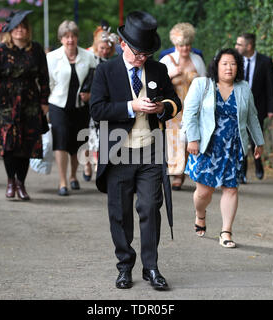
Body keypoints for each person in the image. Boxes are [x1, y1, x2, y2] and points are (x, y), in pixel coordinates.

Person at [90, 11, 182, 290]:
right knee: (119, 213)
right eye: (138, 53)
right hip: (118, 153)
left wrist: (162, 107)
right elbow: (97, 109)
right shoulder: (105, 71)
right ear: (122, 45)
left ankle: (151, 268)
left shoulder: (158, 70)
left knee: (150, 207)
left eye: (147, 53)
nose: (143, 58)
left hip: (150, 151)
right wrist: (132, 106)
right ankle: (124, 266)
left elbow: (174, 102)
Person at [183, 48, 265, 247]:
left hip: (233, 147)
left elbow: (252, 116)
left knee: (231, 190)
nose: (229, 68)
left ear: (239, 67)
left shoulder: (244, 88)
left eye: (234, 64)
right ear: (216, 65)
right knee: (204, 192)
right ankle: (200, 214)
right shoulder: (202, 84)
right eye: (225, 63)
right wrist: (192, 139)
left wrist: (259, 142)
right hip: (206, 146)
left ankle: (226, 232)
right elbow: (190, 113)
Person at [0, 10, 50, 200]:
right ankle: (10, 181)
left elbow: (44, 78)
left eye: (23, 27)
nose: (20, 31)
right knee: (9, 144)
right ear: (11, 30)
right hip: (6, 101)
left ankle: (21, 183)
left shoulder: (36, 49)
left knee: (27, 144)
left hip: (30, 102)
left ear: (27, 30)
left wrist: (45, 101)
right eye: (16, 27)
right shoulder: (1, 50)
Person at [46, 20, 97, 196]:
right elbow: (48, 83)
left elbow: (96, 81)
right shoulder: (52, 58)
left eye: (73, 36)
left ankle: (74, 176)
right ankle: (62, 181)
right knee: (60, 142)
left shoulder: (89, 57)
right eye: (66, 36)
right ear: (61, 39)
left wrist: (90, 95)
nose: (70, 40)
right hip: (58, 105)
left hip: (81, 106)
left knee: (78, 144)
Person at [160, 22, 206, 190]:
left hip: (193, 107)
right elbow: (156, 85)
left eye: (187, 45)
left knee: (188, 138)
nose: (185, 48)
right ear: (175, 45)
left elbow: (205, 83)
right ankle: (176, 173)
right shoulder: (166, 60)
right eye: (181, 45)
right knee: (175, 139)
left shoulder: (197, 60)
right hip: (174, 106)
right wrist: (170, 75)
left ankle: (182, 173)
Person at [235, 33, 273, 182]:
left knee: (255, 138)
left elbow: (271, 86)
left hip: (258, 107)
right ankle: (242, 172)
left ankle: (258, 163)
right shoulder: (235, 61)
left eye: (239, 44)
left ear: (249, 46)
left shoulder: (265, 61)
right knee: (241, 138)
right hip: (239, 106)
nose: (236, 47)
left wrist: (272, 108)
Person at [85, 24, 119, 181]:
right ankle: (88, 163)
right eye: (102, 47)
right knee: (88, 134)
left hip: (106, 103)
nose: (104, 50)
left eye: (107, 48)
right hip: (88, 102)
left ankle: (98, 163)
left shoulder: (113, 62)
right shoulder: (89, 60)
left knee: (99, 134)